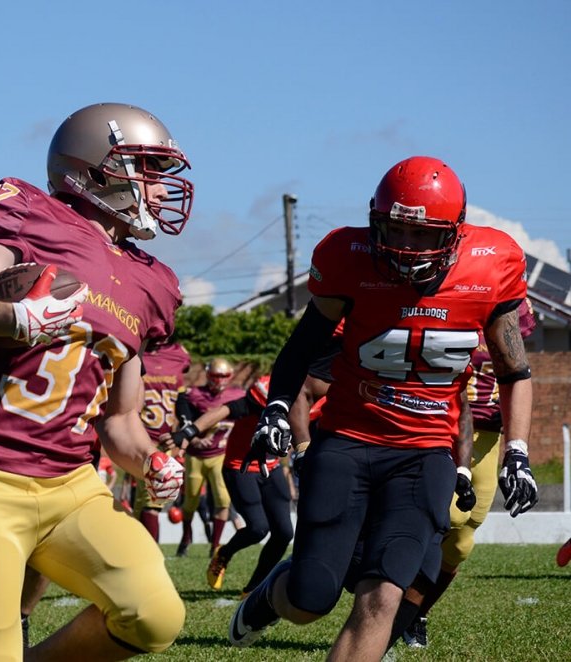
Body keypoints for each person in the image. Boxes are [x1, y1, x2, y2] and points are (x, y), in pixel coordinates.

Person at [0, 102, 192, 661]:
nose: (161, 188)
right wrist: (14, 318)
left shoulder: (149, 283)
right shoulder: (34, 220)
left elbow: (121, 420)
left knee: (155, 616)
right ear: (95, 167)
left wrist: (150, 460)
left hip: (72, 488)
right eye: (149, 169)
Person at [229, 156, 537, 662]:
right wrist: (277, 408)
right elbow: (301, 348)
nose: (407, 247)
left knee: (382, 596)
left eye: (424, 235)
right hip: (348, 442)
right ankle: (272, 595)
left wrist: (518, 452)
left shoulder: (492, 263)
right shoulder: (347, 256)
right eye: (396, 230)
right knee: (311, 598)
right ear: (376, 221)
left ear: (455, 234)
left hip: (424, 453)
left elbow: (513, 373)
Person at [398, 298, 536, 649]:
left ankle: (416, 613)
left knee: (461, 542)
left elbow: (516, 377)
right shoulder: (460, 303)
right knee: (442, 516)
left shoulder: (516, 311)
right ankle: (377, 592)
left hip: (489, 438)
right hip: (445, 428)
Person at [165, 374, 294, 594]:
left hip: (271, 467)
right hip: (239, 466)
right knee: (258, 528)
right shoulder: (269, 389)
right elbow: (225, 409)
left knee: (283, 533)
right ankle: (224, 553)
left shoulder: (319, 397)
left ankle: (254, 588)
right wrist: (189, 432)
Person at [173, 358, 243, 557]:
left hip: (221, 455)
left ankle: (215, 546)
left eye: (224, 376)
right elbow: (183, 423)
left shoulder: (237, 394)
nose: (220, 380)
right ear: (208, 376)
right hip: (196, 456)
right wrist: (194, 441)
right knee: (190, 502)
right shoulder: (195, 395)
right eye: (216, 376)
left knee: (223, 499)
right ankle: (185, 539)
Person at [137, 338, 191, 540]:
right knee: (153, 498)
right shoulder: (133, 350)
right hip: (139, 435)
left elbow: (181, 400)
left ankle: (136, 551)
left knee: (147, 499)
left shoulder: (178, 355)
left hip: (165, 440)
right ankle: (152, 555)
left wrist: (183, 433)